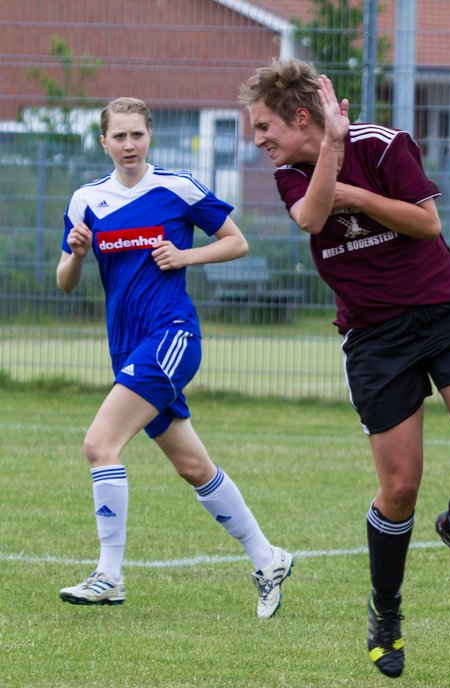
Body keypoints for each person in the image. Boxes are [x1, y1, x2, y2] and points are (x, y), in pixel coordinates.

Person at [240, 59, 450, 679]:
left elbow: (427, 222)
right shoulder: (291, 174)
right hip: (374, 338)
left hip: (446, 314)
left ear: (298, 115)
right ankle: (385, 611)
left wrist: (358, 192)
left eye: (262, 126)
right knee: (400, 488)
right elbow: (311, 217)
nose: (257, 139)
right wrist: (330, 149)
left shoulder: (384, 145)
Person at [56, 97, 294, 617]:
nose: (129, 145)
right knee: (192, 466)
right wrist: (75, 255)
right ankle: (268, 556)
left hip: (171, 337)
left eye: (137, 135)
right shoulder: (87, 201)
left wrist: (186, 255)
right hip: (127, 347)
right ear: (104, 142)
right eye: (118, 137)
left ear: (149, 136)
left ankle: (109, 575)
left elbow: (237, 242)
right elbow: (65, 282)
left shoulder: (177, 187)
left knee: (100, 445)